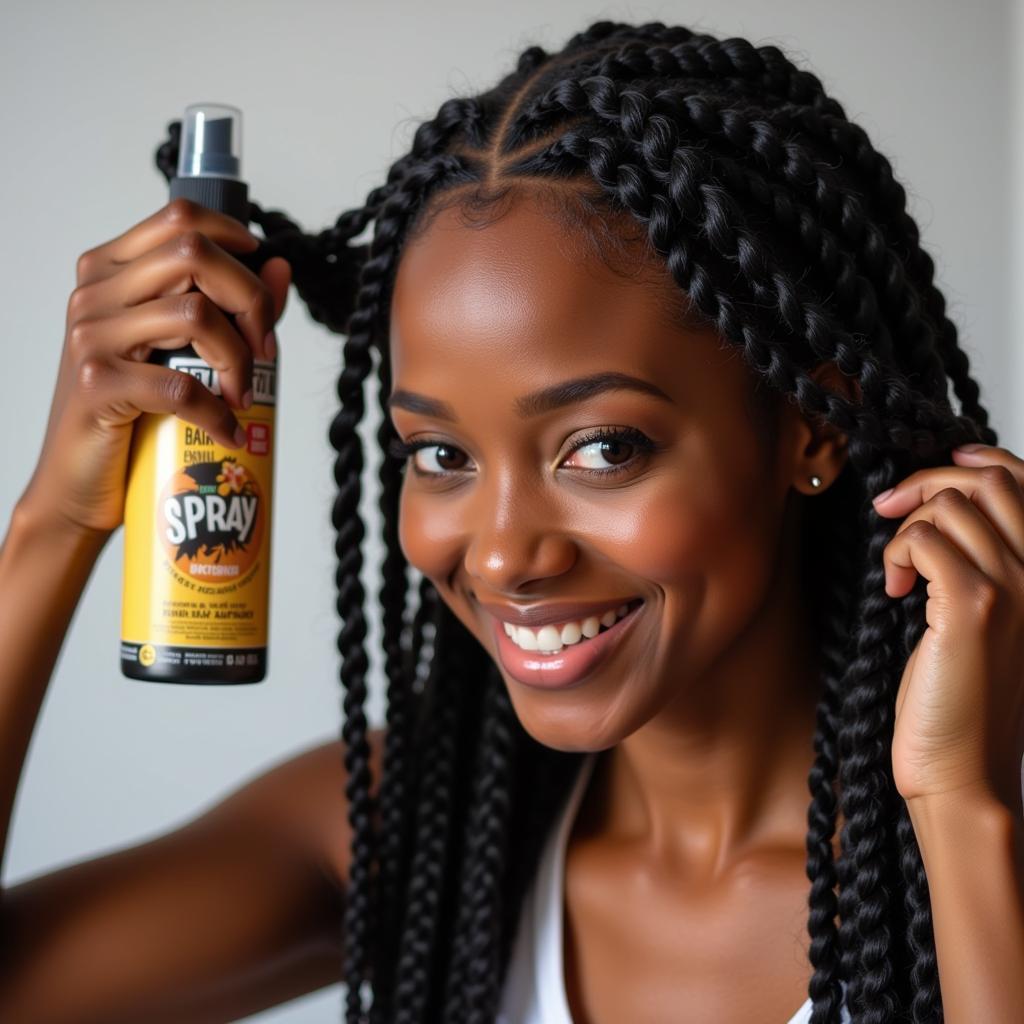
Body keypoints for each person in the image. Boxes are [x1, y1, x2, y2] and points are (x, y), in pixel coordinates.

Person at [2, 17, 1023, 1024]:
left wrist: (963, 816)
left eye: (601, 448)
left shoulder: (977, 826)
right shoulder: (415, 834)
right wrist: (55, 518)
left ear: (810, 425)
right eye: (440, 456)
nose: (499, 555)